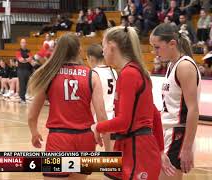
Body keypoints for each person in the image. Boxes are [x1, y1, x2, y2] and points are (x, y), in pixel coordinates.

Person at [28, 33, 107, 180]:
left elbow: (32, 115)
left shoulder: (49, 74)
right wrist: (102, 136)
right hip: (85, 139)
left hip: (60, 139)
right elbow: (102, 116)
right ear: (79, 51)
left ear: (58, 50)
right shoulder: (92, 75)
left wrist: (34, 132)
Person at [91, 26, 162, 180]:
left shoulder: (129, 73)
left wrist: (97, 126)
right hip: (126, 145)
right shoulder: (132, 71)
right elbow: (155, 114)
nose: (102, 51)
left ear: (111, 46)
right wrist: (161, 150)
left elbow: (124, 121)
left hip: (138, 151)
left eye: (103, 46)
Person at [150, 23, 201, 180]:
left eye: (157, 47)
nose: (154, 52)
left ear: (172, 43)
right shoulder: (172, 64)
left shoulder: (184, 66)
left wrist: (186, 148)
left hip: (178, 135)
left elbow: (193, 110)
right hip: (168, 132)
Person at [86, 44, 117, 151]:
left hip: (97, 118)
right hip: (112, 117)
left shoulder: (92, 74)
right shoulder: (113, 71)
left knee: (90, 157)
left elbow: (91, 102)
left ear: (91, 58)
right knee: (111, 155)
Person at [15, 39, 33, 104]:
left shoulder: (29, 51)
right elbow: (20, 60)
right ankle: (22, 98)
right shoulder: (18, 51)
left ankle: (24, 97)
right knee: (22, 84)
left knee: (26, 84)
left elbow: (31, 59)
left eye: (25, 42)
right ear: (20, 43)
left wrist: (25, 60)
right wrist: (27, 59)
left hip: (28, 70)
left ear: (26, 43)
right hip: (21, 70)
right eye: (22, 42)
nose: (24, 44)